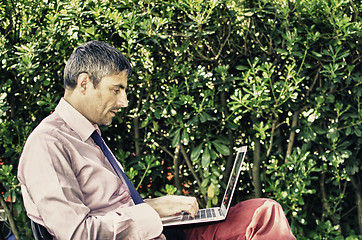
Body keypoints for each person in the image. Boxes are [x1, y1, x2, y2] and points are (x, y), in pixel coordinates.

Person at [18, 40, 296, 240]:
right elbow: (77, 233)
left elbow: (113, 208)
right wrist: (151, 210)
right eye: (116, 90)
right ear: (84, 83)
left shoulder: (88, 135)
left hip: (158, 229)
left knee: (263, 213)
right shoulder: (48, 144)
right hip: (148, 232)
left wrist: (161, 205)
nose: (124, 102)